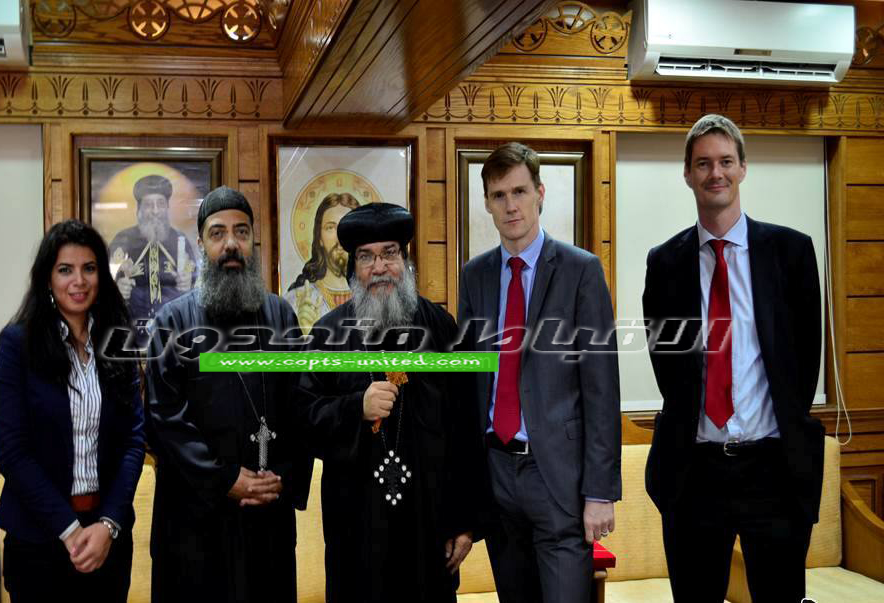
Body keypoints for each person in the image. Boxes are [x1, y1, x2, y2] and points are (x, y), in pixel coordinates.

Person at [643, 114, 823, 602]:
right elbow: (667, 363)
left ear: (743, 168)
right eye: (703, 164)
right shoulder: (665, 262)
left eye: (725, 161)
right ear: (687, 174)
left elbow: (805, 361)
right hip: (695, 473)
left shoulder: (791, 251)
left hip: (773, 469)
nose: (715, 173)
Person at [296, 203, 489, 603]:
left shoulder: (441, 329)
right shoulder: (328, 334)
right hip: (356, 530)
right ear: (353, 269)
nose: (379, 267)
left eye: (389, 253)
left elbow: (466, 430)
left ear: (406, 260)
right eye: (366, 257)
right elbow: (303, 418)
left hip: (429, 527)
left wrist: (465, 521)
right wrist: (355, 407)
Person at [457, 142, 621, 603]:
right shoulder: (475, 276)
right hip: (496, 473)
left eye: (520, 192)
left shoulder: (580, 270)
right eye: (499, 195)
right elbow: (471, 382)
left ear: (540, 193)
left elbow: (602, 387)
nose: (511, 205)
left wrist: (600, 492)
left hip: (558, 478)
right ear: (487, 203)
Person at [145, 186, 312, 603]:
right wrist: (225, 478)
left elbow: (300, 404)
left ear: (254, 241)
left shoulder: (280, 316)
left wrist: (281, 478)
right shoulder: (173, 321)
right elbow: (164, 419)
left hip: (267, 516)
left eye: (241, 231)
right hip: (196, 522)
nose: (231, 243)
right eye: (217, 233)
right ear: (201, 244)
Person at [0, 220, 145, 602]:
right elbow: (12, 451)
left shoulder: (118, 341)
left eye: (89, 268)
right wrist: (70, 530)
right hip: (39, 540)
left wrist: (108, 524)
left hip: (107, 538)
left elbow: (133, 440)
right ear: (47, 278)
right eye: (65, 269)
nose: (79, 281)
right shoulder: (18, 344)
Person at [108, 174, 197, 322]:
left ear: (167, 207)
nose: (155, 211)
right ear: (139, 209)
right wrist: (117, 290)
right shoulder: (123, 240)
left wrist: (188, 284)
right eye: (148, 205)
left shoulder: (180, 240)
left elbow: (196, 281)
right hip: (131, 326)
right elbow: (105, 282)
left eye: (160, 204)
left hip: (173, 326)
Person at [284, 192, 360, 333]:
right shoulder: (295, 300)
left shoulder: (375, 298)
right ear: (319, 237)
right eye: (330, 228)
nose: (339, 238)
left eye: (347, 227)